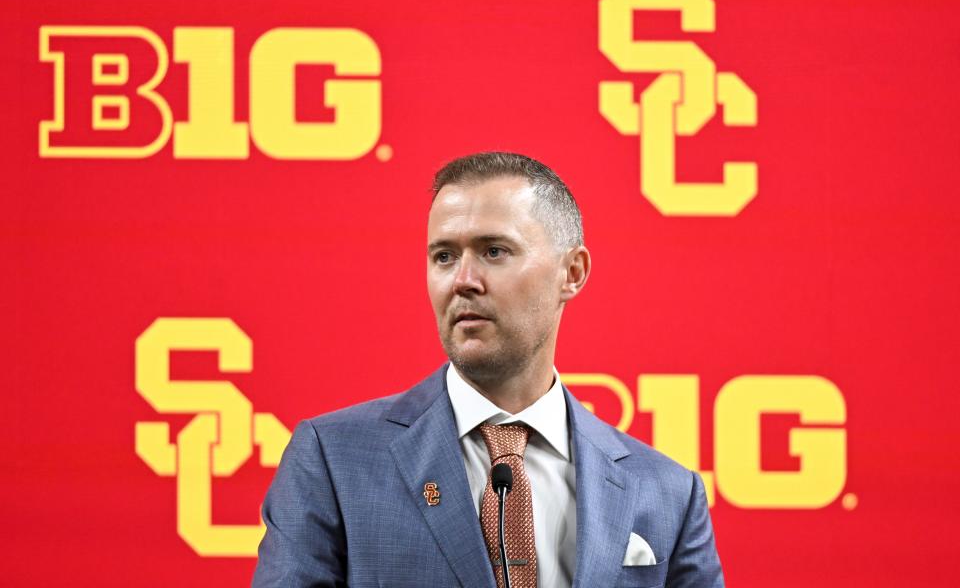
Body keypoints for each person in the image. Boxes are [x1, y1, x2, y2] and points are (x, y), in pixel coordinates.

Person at [252, 152, 724, 587]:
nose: (463, 280)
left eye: (494, 251)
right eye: (444, 256)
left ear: (572, 273)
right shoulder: (334, 461)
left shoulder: (668, 494)